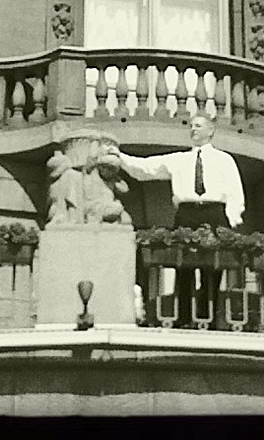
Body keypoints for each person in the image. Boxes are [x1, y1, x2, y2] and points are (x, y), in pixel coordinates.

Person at [104, 114, 244, 327]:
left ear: (210, 131)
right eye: (191, 126)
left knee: (213, 269)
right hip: (187, 213)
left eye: (198, 126)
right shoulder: (180, 159)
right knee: (183, 266)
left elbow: (235, 192)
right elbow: (146, 168)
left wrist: (230, 221)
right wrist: (120, 157)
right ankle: (184, 319)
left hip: (215, 212)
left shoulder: (224, 160)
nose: (193, 129)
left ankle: (208, 320)